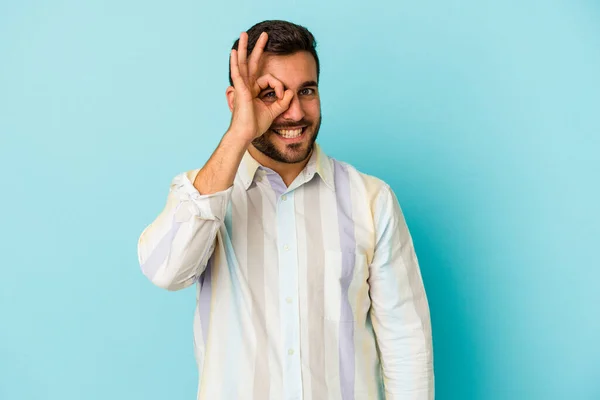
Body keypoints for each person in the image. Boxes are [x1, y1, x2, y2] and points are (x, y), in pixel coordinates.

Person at [138, 19, 434, 400]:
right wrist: (238, 133)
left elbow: (407, 343)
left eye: (306, 91)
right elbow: (166, 271)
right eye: (270, 94)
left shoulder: (372, 199)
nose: (293, 112)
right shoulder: (202, 192)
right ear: (236, 101)